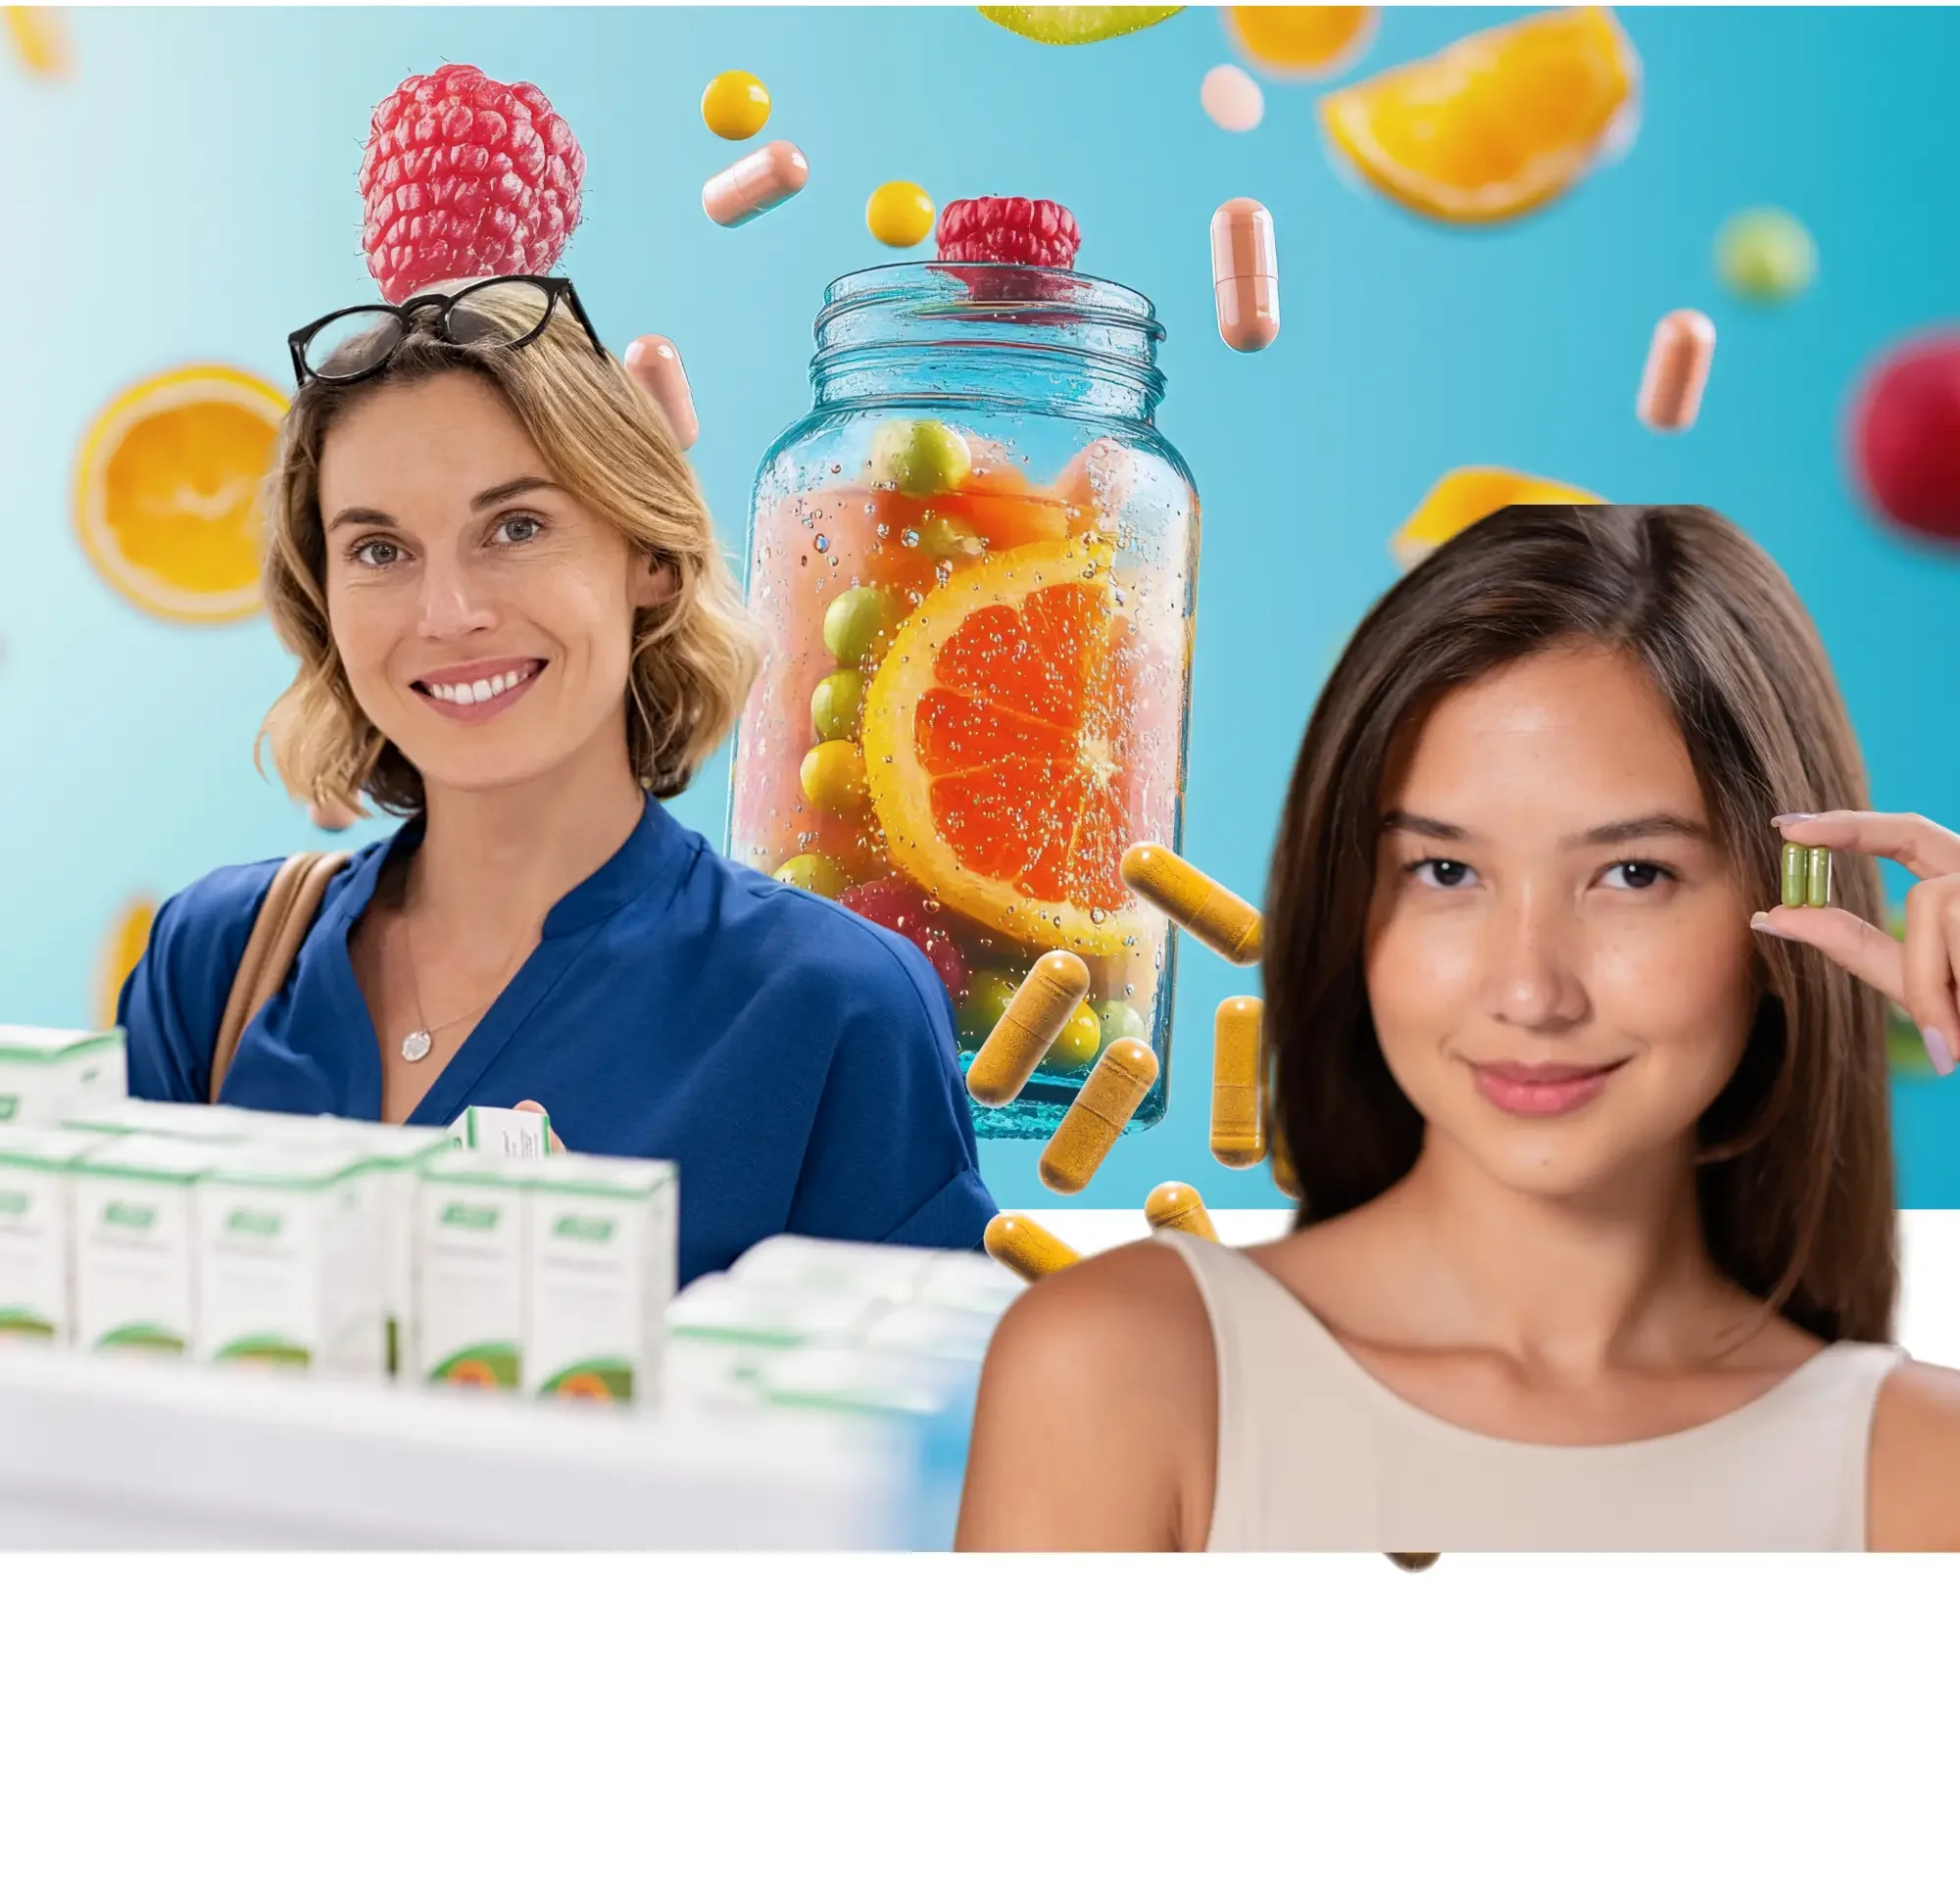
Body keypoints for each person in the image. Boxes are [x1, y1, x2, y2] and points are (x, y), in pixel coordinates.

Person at [957, 503, 1960, 1550]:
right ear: (1351, 900)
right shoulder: (1118, 1370)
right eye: (1445, 871)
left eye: (1633, 874)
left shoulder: (1922, 1466)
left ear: (1789, 908)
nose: (1529, 992)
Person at [119, 273, 996, 1286]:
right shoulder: (216, 963)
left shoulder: (833, 1007)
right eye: (379, 549)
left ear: (648, 555)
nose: (447, 613)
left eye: (516, 528)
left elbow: (930, 1383)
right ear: (324, 599)